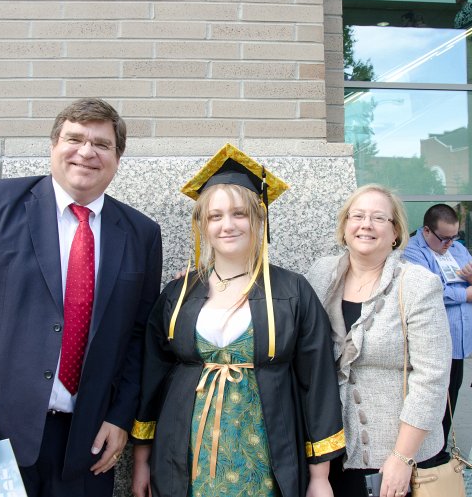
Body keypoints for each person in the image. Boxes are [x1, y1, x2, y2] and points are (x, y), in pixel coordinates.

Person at [0, 98, 163, 497]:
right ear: (53, 145)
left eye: (102, 144)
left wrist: (121, 418)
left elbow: (139, 336)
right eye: (74, 138)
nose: (86, 152)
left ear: (117, 158)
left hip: (89, 442)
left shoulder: (141, 233)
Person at [131, 144, 344, 497]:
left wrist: (319, 477)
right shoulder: (178, 294)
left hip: (265, 452)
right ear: (202, 225)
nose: (227, 225)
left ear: (259, 218)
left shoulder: (291, 291)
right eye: (214, 216)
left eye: (239, 214)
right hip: (184, 454)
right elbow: (150, 377)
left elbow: (317, 382)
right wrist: (141, 462)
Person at [305, 184, 451, 497]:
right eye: (357, 216)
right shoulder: (320, 275)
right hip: (331, 451)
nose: (366, 225)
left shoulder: (417, 285)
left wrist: (401, 457)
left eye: (378, 218)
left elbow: (432, 378)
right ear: (345, 226)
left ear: (396, 231)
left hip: (395, 457)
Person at [403, 204, 472, 463]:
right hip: (432, 339)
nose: (450, 243)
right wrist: (466, 293)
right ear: (427, 231)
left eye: (455, 236)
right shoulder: (412, 251)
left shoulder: (458, 248)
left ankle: (441, 449)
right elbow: (427, 288)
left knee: (452, 394)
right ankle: (425, 452)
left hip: (459, 339)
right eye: (444, 238)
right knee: (430, 398)